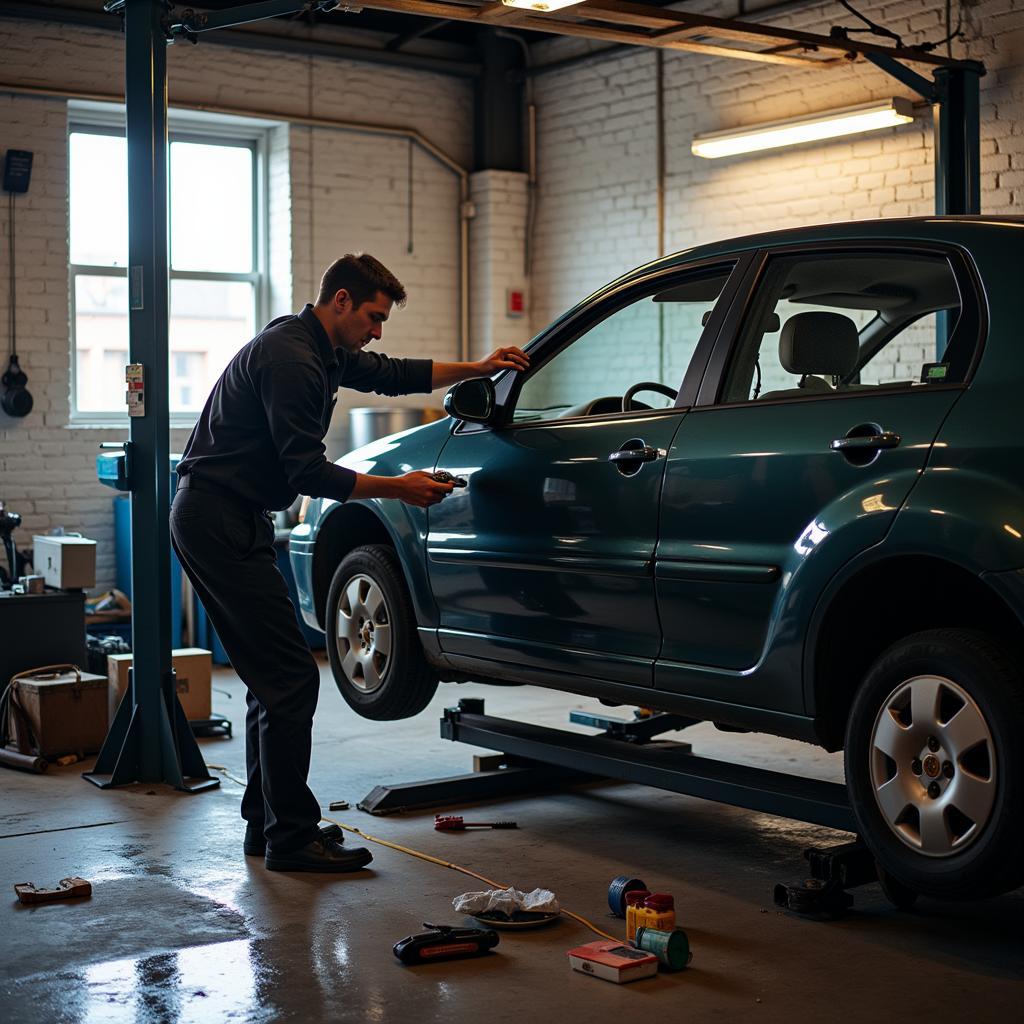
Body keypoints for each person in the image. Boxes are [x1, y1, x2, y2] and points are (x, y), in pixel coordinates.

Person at [170, 253, 529, 872]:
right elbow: (306, 472)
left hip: (233, 518)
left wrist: (477, 367)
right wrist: (401, 488)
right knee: (292, 677)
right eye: (372, 316)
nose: (377, 330)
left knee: (271, 679)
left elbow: (392, 374)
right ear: (340, 300)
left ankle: (270, 824)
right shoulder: (294, 359)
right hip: (216, 520)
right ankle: (291, 838)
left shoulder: (318, 344)